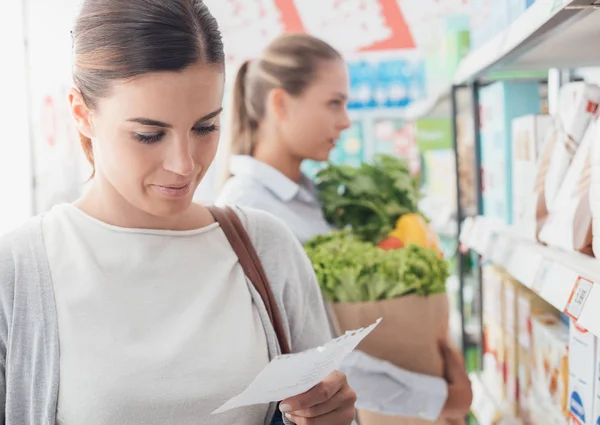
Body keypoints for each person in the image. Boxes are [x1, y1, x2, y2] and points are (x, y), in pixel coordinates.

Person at [0, 2, 358, 425]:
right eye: (148, 135)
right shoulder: (19, 270)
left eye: (205, 127)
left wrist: (332, 416)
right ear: (82, 113)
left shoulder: (265, 246)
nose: (184, 164)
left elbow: (327, 405)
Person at [216, 33, 473, 420]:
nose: (346, 120)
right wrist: (438, 396)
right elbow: (305, 357)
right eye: (334, 103)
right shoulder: (250, 209)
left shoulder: (313, 198)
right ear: (281, 103)